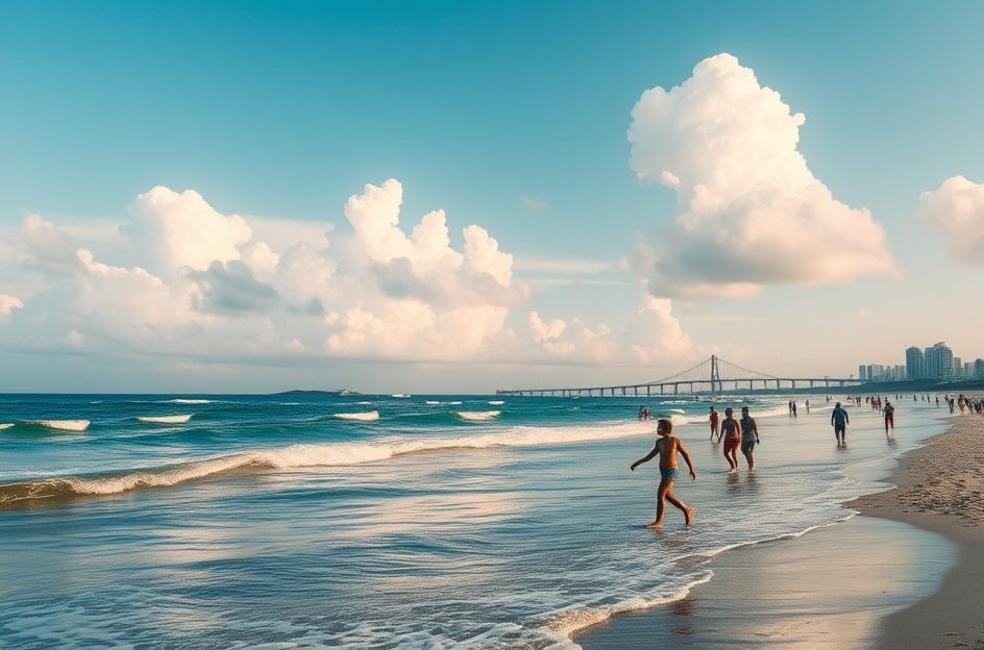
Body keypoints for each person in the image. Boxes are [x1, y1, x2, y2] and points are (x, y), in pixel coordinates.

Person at [630, 418, 696, 529]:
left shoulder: (675, 440)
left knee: (660, 495)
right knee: (668, 497)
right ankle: (686, 509)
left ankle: (658, 522)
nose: (657, 429)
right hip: (663, 472)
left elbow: (685, 454)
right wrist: (637, 463)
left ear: (665, 429)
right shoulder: (659, 442)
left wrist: (691, 469)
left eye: (659, 427)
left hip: (672, 471)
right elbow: (650, 456)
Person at [720, 407, 741, 472]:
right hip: (731, 439)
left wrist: (739, 437)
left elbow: (738, 430)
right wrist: (720, 437)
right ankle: (734, 466)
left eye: (730, 412)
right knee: (729, 453)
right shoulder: (727, 421)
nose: (729, 413)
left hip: (732, 439)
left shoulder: (732, 421)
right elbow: (722, 430)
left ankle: (734, 466)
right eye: (728, 412)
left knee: (730, 453)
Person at [740, 406, 760, 471]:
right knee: (749, 453)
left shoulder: (742, 420)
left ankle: (751, 466)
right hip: (753, 438)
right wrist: (757, 438)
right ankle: (751, 466)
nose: (742, 413)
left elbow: (743, 429)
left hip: (746, 438)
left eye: (743, 412)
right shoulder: (752, 420)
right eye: (742, 412)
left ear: (747, 412)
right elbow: (755, 429)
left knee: (744, 451)